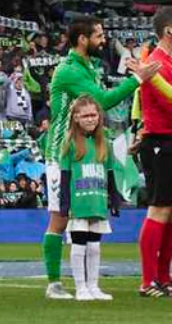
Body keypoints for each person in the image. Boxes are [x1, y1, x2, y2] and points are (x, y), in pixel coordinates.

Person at [41, 16, 157, 298]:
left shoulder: (88, 67)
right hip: (62, 152)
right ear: (82, 39)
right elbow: (102, 101)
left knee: (90, 218)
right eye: (99, 35)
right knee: (60, 217)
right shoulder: (69, 70)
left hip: (88, 152)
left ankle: (87, 284)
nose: (103, 40)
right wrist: (137, 80)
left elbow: (97, 110)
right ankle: (54, 283)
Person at [57, 97, 115, 301]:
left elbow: (109, 174)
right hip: (79, 202)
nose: (91, 119)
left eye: (94, 115)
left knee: (95, 245)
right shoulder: (70, 143)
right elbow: (65, 177)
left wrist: (113, 200)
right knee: (79, 244)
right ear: (76, 118)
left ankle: (94, 286)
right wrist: (64, 204)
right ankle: (80, 287)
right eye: (86, 115)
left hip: (97, 201)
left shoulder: (104, 142)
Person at [138, 9, 172, 297]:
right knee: (159, 208)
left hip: (167, 141)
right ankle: (148, 280)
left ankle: (163, 277)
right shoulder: (156, 64)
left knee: (170, 212)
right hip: (161, 142)